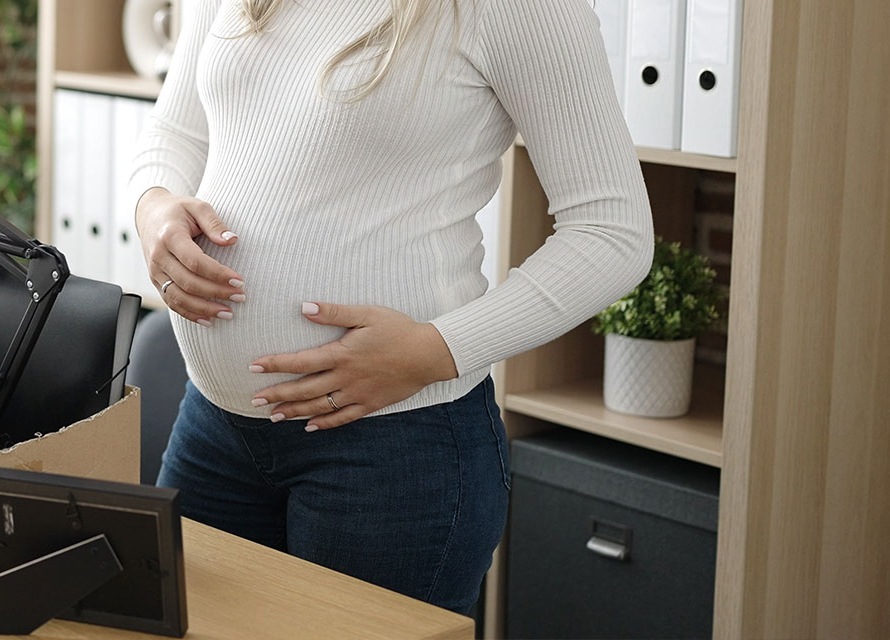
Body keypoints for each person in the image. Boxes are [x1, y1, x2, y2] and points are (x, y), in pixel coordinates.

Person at [128, 0, 653, 614]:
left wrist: (435, 351)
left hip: (395, 450)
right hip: (214, 426)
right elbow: (176, 131)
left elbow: (612, 231)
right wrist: (153, 207)